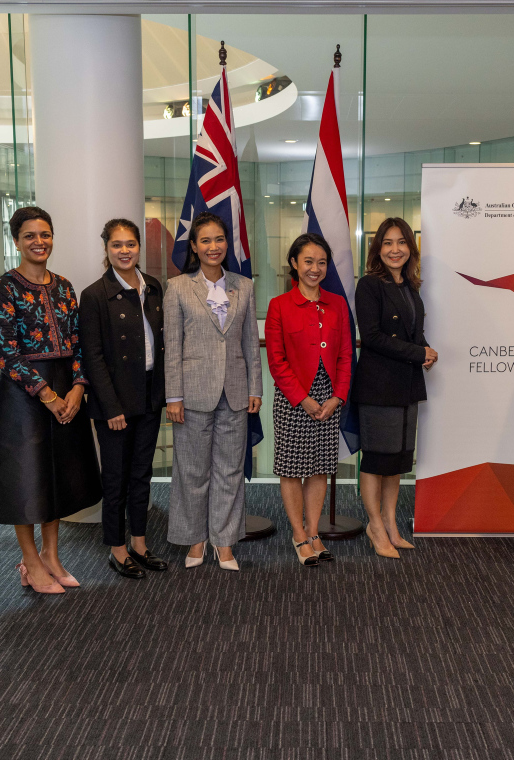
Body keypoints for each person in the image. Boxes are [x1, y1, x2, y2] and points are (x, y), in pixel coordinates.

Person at [0, 206, 102, 594]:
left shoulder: (64, 286)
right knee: (27, 479)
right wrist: (46, 394)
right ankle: (29, 561)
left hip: (67, 389)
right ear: (16, 241)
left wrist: (77, 388)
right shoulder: (4, 288)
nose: (39, 242)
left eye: (45, 234)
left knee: (57, 476)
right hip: (24, 395)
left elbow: (80, 342)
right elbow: (4, 351)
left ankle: (52, 556)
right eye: (30, 235)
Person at [164, 212, 262, 571]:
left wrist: (256, 387)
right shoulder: (178, 288)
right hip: (191, 394)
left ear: (227, 243)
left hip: (235, 391)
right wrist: (172, 397)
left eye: (219, 239)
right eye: (205, 240)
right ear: (194, 246)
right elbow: (172, 347)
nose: (213, 246)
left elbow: (251, 343)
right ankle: (195, 540)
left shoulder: (244, 286)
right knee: (191, 471)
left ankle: (224, 542)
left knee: (230, 470)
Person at [79, 218, 168, 580]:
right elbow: (93, 356)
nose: (125, 250)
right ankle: (117, 550)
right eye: (117, 244)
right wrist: (111, 408)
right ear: (106, 249)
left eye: (130, 244)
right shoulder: (95, 294)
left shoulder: (154, 287)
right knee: (115, 478)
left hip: (149, 396)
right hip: (114, 403)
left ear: (139, 247)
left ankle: (140, 544)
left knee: (141, 475)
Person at [266, 233, 353, 567]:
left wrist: (338, 397)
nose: (315, 268)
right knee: (291, 469)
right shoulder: (279, 306)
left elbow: (346, 355)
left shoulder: (338, 304)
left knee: (319, 468)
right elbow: (277, 362)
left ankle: (314, 532)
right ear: (294, 264)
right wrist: (303, 399)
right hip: (293, 400)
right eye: (308, 261)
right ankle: (298, 534)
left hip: (329, 399)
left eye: (321, 262)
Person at [351, 217, 435, 559]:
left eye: (401, 242)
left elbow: (413, 333)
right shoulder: (369, 286)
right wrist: (418, 352)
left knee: (398, 461)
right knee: (376, 460)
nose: (395, 249)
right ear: (377, 249)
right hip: (379, 387)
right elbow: (371, 337)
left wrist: (426, 350)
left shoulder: (410, 286)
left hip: (407, 385)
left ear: (410, 249)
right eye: (387, 243)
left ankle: (391, 524)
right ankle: (375, 525)